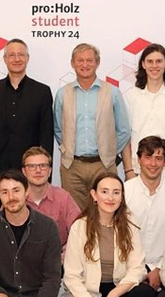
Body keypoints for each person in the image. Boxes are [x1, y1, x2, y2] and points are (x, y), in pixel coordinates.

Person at [62, 173, 156, 297]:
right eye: (104, 192)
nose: (110, 198)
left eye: (116, 192)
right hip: (87, 291)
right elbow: (71, 276)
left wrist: (114, 294)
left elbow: (137, 268)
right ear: (94, 195)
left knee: (145, 294)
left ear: (122, 197)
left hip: (117, 288)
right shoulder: (80, 226)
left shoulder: (130, 223)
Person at [53, 43, 131, 211]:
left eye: (89, 60)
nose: (85, 64)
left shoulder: (113, 92)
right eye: (80, 60)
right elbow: (59, 129)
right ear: (72, 63)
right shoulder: (62, 94)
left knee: (106, 213)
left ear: (98, 62)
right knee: (74, 216)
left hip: (103, 164)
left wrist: (108, 151)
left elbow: (123, 129)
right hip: (72, 167)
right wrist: (69, 149)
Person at [0, 39, 54, 190]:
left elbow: (46, 135)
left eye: (21, 55)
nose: (16, 59)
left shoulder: (42, 92)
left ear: (27, 58)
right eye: (11, 55)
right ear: (5, 59)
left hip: (29, 170)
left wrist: (45, 172)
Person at [123, 136, 165, 290]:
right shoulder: (125, 191)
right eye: (148, 157)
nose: (153, 164)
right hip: (129, 269)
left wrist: (160, 269)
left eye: (158, 158)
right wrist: (141, 270)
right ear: (138, 160)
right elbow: (120, 236)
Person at [122, 43, 165, 179]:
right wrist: (129, 171)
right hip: (137, 172)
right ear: (143, 65)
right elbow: (125, 138)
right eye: (150, 61)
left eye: (159, 61)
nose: (154, 66)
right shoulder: (130, 97)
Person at [22, 146, 80, 251]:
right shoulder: (15, 199)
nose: (38, 170)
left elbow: (79, 233)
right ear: (24, 172)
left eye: (43, 166)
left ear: (49, 171)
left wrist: (64, 256)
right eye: (32, 166)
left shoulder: (63, 198)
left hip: (58, 259)